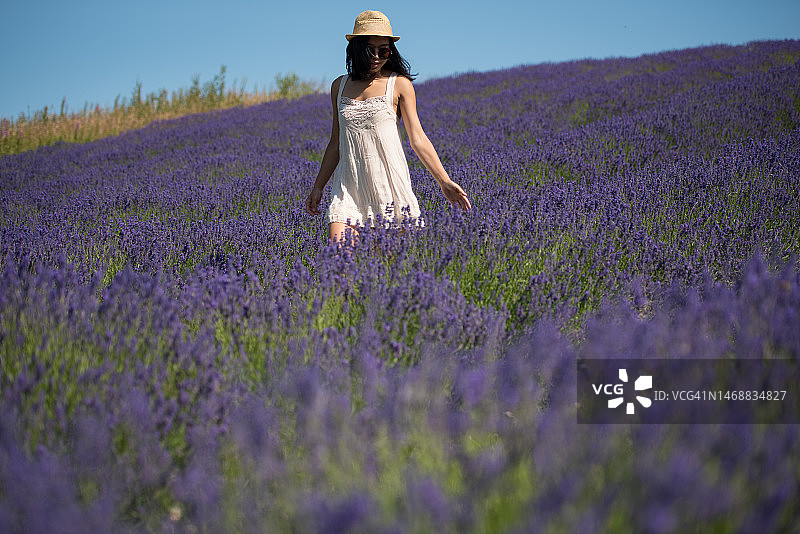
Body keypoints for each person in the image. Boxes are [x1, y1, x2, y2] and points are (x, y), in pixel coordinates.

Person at [304, 10, 471, 245]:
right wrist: (318, 187)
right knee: (338, 261)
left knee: (387, 266)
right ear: (356, 49)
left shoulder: (399, 85)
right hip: (348, 189)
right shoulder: (339, 86)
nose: (376, 57)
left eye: (383, 51)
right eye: (369, 50)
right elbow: (335, 143)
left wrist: (444, 181)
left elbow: (418, 138)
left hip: (388, 190)